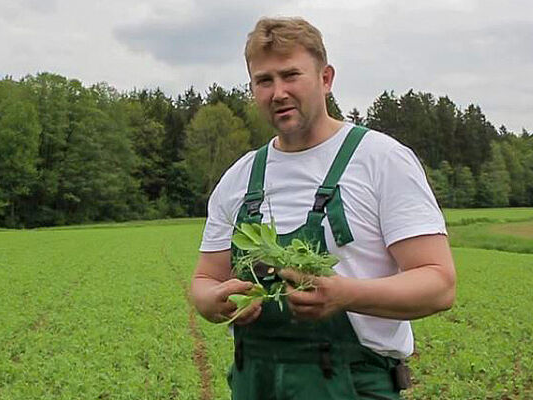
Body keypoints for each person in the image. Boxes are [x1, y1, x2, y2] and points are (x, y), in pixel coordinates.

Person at [190, 16, 456, 400]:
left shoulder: (381, 160)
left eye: (290, 75)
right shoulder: (240, 178)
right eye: (264, 81)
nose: (278, 92)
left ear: (326, 78)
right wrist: (208, 302)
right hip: (255, 383)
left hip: (351, 385)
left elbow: (439, 284)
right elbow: (204, 280)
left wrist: (345, 294)